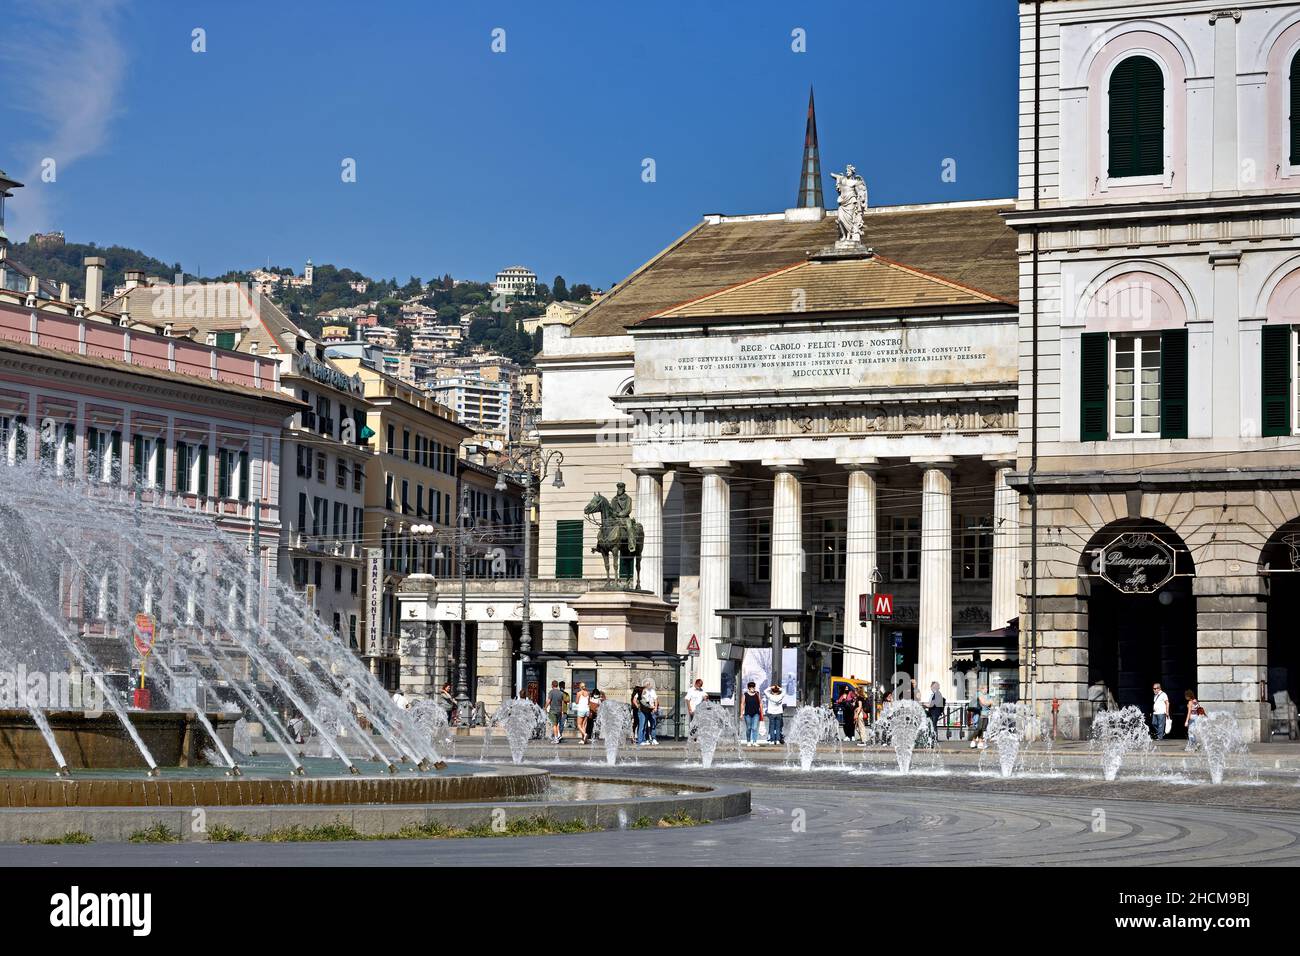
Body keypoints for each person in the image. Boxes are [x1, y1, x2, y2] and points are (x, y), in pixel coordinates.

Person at [741, 681, 764, 745]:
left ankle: (754, 741)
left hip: (756, 713)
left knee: (754, 728)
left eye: (753, 687)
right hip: (747, 714)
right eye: (751, 687)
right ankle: (748, 741)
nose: (753, 689)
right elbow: (742, 704)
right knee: (748, 728)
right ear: (749, 688)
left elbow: (760, 703)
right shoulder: (745, 695)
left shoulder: (757, 694)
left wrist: (762, 712)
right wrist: (741, 713)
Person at [641, 680, 659, 745]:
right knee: (645, 725)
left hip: (652, 710)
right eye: (647, 684)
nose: (648, 686)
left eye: (649, 684)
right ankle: (646, 739)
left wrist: (656, 707)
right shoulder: (643, 691)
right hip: (646, 710)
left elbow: (656, 699)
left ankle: (654, 739)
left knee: (653, 725)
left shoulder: (652, 691)